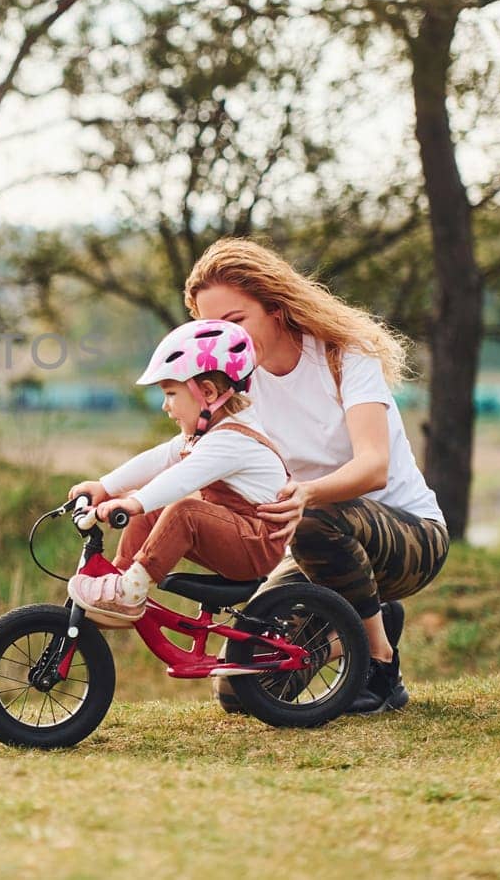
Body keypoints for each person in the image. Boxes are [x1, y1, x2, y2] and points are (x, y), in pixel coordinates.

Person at [186, 237, 449, 715]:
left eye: (235, 321)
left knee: (311, 519)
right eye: (209, 328)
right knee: (239, 688)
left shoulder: (344, 354)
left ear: (275, 308)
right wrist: (118, 491)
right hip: (320, 548)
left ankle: (379, 661)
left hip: (409, 537)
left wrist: (306, 493)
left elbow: (373, 466)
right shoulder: (237, 386)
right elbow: (197, 455)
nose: (224, 339)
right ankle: (370, 622)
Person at [66, 320, 291, 624]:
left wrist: (133, 502)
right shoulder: (210, 433)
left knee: (182, 511)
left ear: (208, 393)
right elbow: (160, 458)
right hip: (237, 533)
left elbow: (180, 478)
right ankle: (120, 576)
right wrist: (105, 487)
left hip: (256, 544)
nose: (165, 406)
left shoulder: (232, 440)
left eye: (171, 393)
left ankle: (129, 592)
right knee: (150, 506)